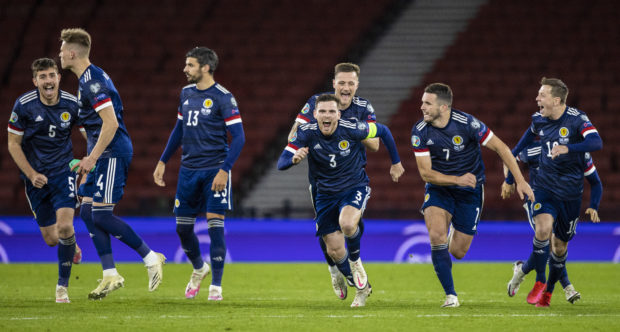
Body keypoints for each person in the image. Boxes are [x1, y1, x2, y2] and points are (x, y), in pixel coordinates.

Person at [59, 28, 165, 300]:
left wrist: (92, 158)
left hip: (113, 152)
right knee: (86, 211)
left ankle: (151, 258)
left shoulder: (92, 82)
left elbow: (111, 123)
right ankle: (110, 274)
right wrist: (89, 163)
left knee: (102, 215)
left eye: (61, 49)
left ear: (72, 52)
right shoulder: (87, 80)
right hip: (101, 155)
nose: (59, 54)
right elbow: (93, 128)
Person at [410, 83, 534, 308]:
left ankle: (446, 246)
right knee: (436, 235)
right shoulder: (420, 131)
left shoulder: (468, 124)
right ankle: (451, 296)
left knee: (457, 251)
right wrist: (457, 179)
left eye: (427, 103)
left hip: (471, 192)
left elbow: (502, 148)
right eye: (422, 102)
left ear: (444, 107)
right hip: (439, 188)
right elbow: (426, 174)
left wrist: (520, 180)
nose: (422, 107)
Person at [278, 94, 405, 307]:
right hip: (325, 194)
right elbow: (281, 162)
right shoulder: (305, 132)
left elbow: (383, 131)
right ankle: (361, 288)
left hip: (353, 186)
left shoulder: (353, 128)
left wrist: (396, 162)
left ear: (338, 114)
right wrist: (293, 159)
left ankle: (356, 262)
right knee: (335, 250)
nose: (327, 116)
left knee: (347, 224)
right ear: (315, 114)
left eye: (331, 112)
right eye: (322, 111)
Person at [153, 47, 245, 301]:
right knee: (183, 229)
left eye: (190, 65)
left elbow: (239, 137)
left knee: (215, 226)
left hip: (214, 169)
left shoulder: (224, 98)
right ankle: (198, 268)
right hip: (188, 170)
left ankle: (216, 286)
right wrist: (163, 160)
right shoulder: (185, 93)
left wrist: (224, 170)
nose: (185, 69)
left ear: (205, 68)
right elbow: (179, 129)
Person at [286, 63, 380, 301]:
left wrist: (352, 129)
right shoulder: (318, 104)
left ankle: (354, 269)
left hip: (350, 179)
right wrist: (302, 142)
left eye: (351, 83)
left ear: (356, 85)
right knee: (327, 234)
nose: (346, 87)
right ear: (334, 83)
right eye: (342, 82)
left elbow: (376, 144)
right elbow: (293, 135)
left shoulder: (363, 108)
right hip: (320, 181)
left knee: (349, 224)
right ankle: (336, 270)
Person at [506, 77, 602, 307]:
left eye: (542, 95)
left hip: (570, 195)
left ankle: (537, 282)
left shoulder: (578, 120)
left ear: (556, 100)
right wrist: (511, 179)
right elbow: (517, 149)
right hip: (544, 188)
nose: (537, 98)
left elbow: (597, 143)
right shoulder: (538, 120)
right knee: (543, 230)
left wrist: (569, 147)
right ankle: (541, 282)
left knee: (559, 248)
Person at [7, 58, 84, 303]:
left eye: (52, 75)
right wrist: (31, 174)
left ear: (59, 77)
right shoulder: (24, 105)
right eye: (43, 77)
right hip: (36, 178)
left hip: (63, 172)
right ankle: (70, 242)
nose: (48, 81)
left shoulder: (73, 104)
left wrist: (90, 159)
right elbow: (13, 144)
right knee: (52, 239)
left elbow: (88, 133)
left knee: (63, 227)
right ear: (35, 81)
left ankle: (62, 287)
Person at [501, 142, 603, 304]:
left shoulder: (580, 154)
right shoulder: (537, 148)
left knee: (559, 247)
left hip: (564, 204)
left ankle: (522, 270)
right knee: (547, 243)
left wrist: (593, 206)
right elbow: (510, 158)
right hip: (538, 202)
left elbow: (595, 181)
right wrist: (509, 180)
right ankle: (567, 287)